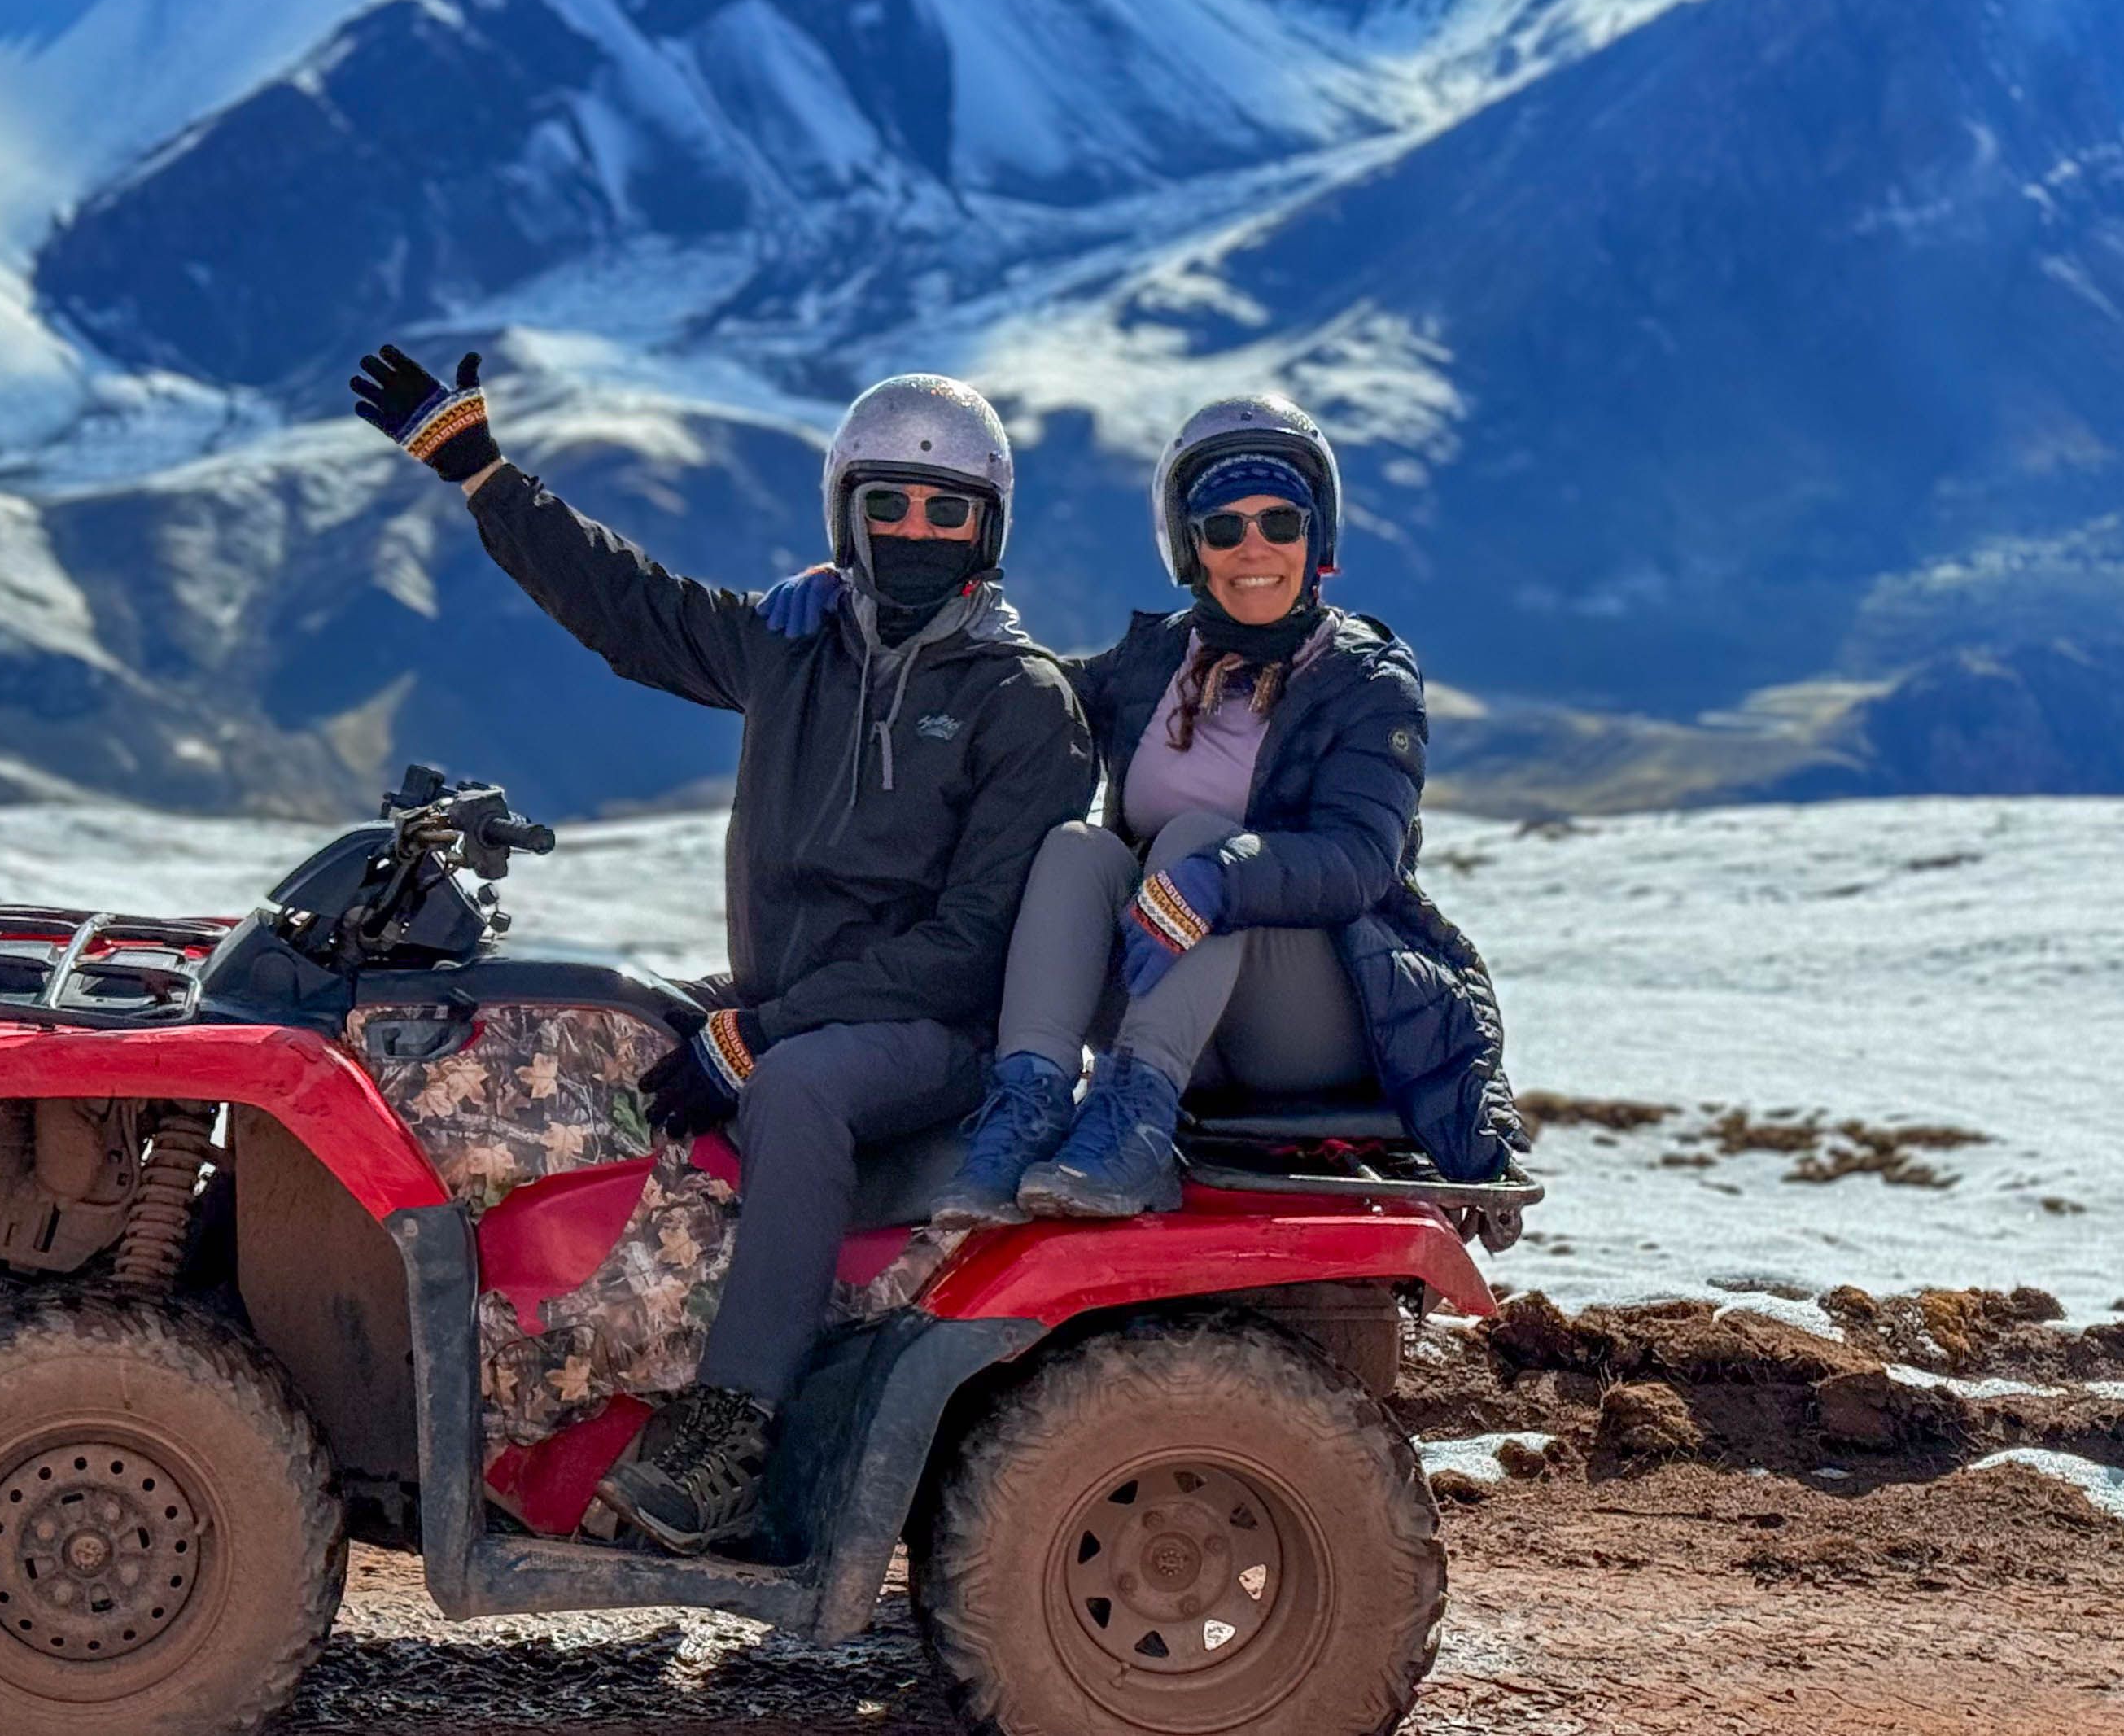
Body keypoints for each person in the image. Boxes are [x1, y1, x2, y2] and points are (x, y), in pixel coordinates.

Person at [351, 346, 1096, 1554]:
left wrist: (765, 1032)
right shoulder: (794, 647)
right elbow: (631, 608)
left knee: (796, 1086)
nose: (915, 531)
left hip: (936, 1034)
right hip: (784, 993)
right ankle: (537, 1350)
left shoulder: (1022, 701)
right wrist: (486, 476)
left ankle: (734, 1427)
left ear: (987, 529)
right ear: (846, 515)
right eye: (889, 504)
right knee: (603, 1014)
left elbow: (971, 947)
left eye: (945, 510)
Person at [758, 394, 1519, 1222]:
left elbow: (1360, 861)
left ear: (1318, 538)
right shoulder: (1154, 661)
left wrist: (1220, 877)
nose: (1253, 547)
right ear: (1189, 547)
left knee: (1197, 839)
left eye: (1280, 522)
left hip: (1313, 1028)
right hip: (1170, 1012)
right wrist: (863, 597)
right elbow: (1011, 699)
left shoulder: (1365, 680)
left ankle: (1136, 1133)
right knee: (1077, 850)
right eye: (1222, 528)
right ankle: (1027, 1104)